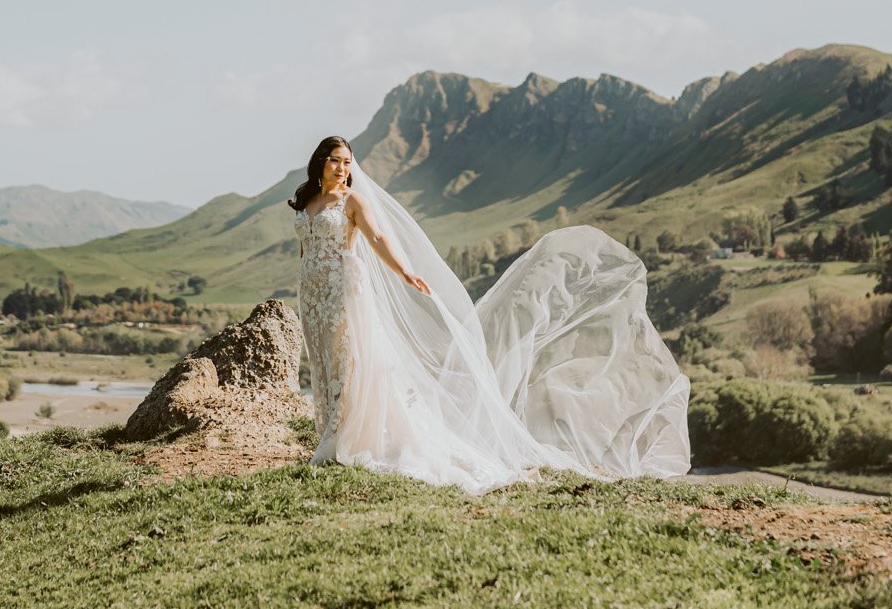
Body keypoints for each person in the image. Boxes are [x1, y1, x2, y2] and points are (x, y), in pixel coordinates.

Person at [289, 135, 690, 494]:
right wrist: (306, 285)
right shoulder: (308, 200)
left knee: (350, 360)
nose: (342, 168)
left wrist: (405, 271)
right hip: (313, 294)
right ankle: (331, 430)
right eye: (335, 161)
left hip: (345, 289)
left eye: (347, 161)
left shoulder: (352, 200)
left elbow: (376, 237)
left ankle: (343, 441)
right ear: (320, 162)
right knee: (322, 359)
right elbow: (306, 248)